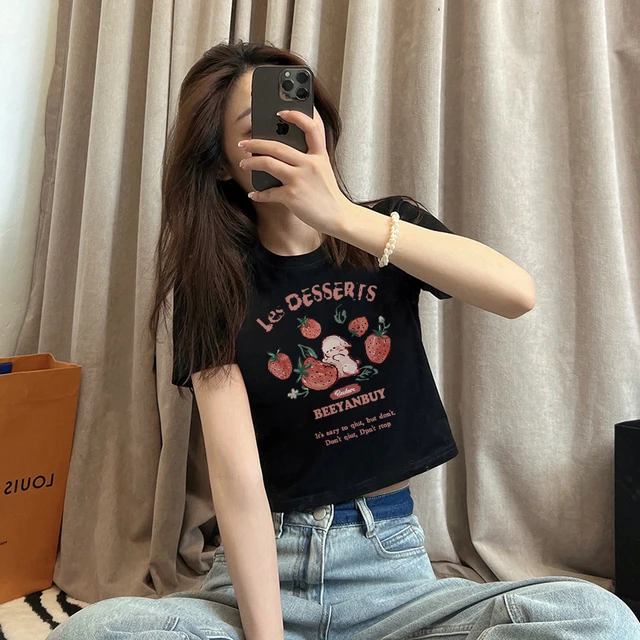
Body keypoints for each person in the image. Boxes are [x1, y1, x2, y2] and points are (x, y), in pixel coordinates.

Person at [47, 40, 640, 640]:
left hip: (391, 577)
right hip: (261, 581)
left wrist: (341, 217)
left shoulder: (385, 229)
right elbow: (236, 480)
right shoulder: (213, 281)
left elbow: (516, 294)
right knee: (92, 633)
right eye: (258, 127)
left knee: (598, 617)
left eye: (295, 114)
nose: (287, 134)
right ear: (223, 164)